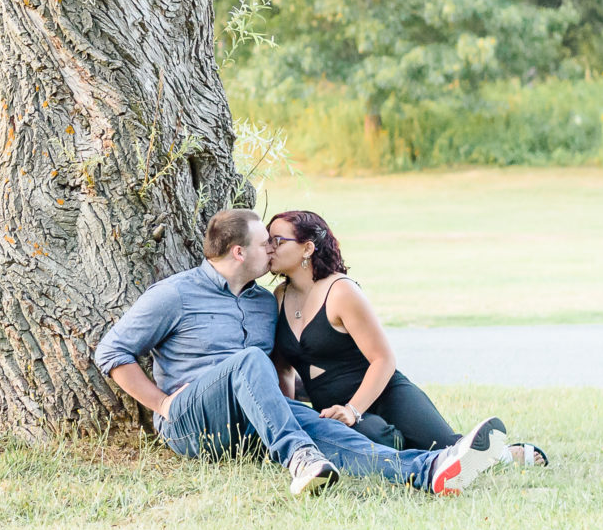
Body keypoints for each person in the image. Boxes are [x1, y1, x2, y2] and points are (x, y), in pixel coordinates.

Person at [96, 206, 511, 497]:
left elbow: (281, 372)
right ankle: (298, 458)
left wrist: (311, 409)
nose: (272, 251)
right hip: (190, 421)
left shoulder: (264, 302)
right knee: (249, 362)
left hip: (254, 423)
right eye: (266, 243)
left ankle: (429, 470)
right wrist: (164, 404)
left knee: (320, 425)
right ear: (240, 252)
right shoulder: (175, 295)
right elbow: (111, 353)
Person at [266, 208, 550, 468]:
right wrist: (288, 424)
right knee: (382, 446)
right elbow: (284, 370)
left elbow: (383, 359)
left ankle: (500, 455)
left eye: (277, 240)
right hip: (334, 412)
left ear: (307, 248)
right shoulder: (279, 297)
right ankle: (413, 448)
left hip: (386, 394)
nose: (269, 248)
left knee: (446, 447)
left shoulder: (341, 292)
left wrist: (353, 410)